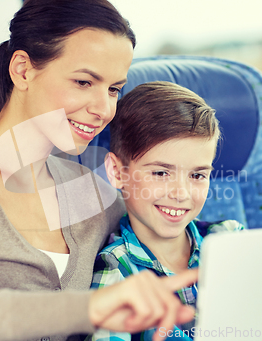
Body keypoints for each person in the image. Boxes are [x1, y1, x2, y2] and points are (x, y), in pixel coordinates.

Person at [0, 1, 198, 341]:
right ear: (23, 70)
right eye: (84, 82)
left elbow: (162, 234)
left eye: (114, 89)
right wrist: (88, 308)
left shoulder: (92, 192)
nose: (104, 109)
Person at [87, 82, 246, 341]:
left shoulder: (230, 238)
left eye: (197, 175)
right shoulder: (117, 269)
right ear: (117, 172)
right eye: (161, 173)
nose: (181, 193)